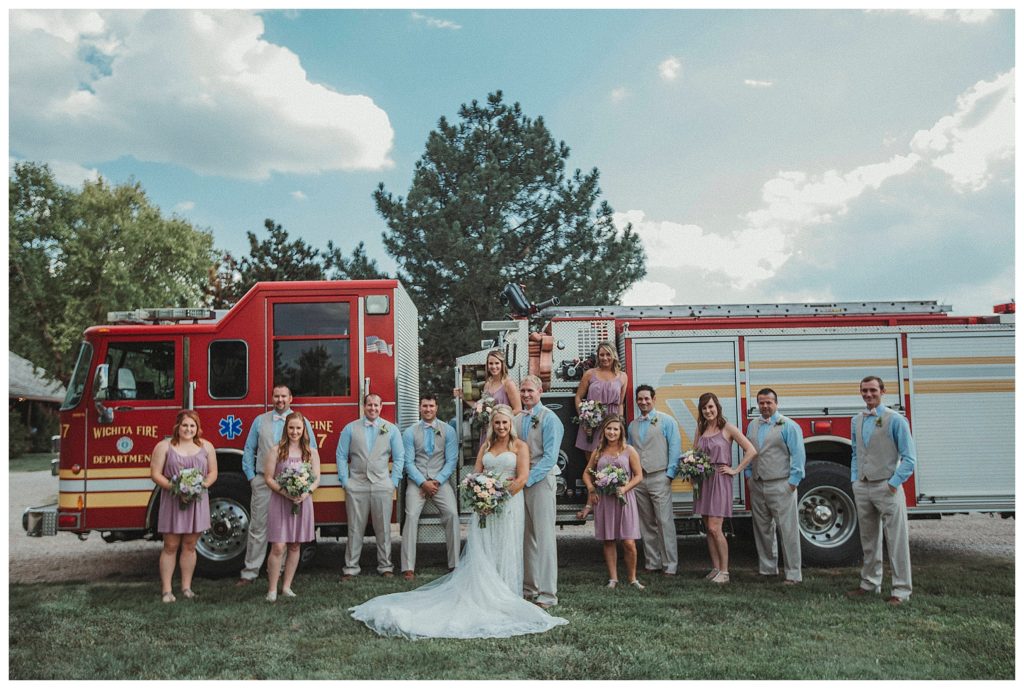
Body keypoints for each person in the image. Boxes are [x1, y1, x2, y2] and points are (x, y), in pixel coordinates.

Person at [349, 405, 568, 638]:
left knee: (507, 547)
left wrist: (498, 497)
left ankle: (506, 593)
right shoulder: (486, 446)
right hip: (485, 507)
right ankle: (484, 592)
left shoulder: (520, 447)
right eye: (497, 423)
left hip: (508, 505)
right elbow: (475, 473)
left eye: (505, 423)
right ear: (492, 424)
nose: (501, 427)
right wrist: (479, 492)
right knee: (486, 548)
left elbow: (523, 477)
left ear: (510, 424)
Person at [238, 384, 319, 586]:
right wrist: (251, 477)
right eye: (276, 396)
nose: (280, 400)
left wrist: (303, 484)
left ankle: (280, 572)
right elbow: (249, 449)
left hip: (295, 487)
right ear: (272, 398)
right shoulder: (260, 421)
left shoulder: (302, 421)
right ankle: (250, 572)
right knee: (258, 528)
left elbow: (311, 451)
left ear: (291, 398)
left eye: (284, 396)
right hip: (264, 483)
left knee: (288, 532)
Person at [846, 376, 916, 605]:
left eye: (873, 390)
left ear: (882, 391)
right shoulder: (856, 420)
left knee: (896, 539)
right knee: (868, 539)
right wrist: (855, 480)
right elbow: (856, 453)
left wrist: (893, 483)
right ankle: (869, 583)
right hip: (863, 486)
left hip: (887, 486)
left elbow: (909, 458)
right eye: (864, 390)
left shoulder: (895, 420)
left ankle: (901, 590)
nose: (868, 394)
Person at [150, 409, 218, 603]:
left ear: (197, 428)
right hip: (173, 500)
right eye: (185, 425)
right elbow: (155, 473)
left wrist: (200, 486)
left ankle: (186, 588)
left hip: (197, 501)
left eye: (192, 425)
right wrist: (177, 488)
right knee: (170, 545)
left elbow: (213, 473)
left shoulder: (207, 447)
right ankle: (167, 590)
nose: (188, 429)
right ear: (177, 427)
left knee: (189, 545)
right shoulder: (164, 447)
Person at [337, 393, 405, 580]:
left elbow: (399, 457)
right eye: (369, 405)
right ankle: (351, 568)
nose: (372, 408)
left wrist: (393, 481)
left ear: (381, 406)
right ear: (364, 406)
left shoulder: (391, 429)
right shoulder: (350, 428)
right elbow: (341, 455)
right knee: (354, 528)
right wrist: (345, 481)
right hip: (356, 484)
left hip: (382, 484)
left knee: (383, 528)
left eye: (376, 405)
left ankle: (385, 566)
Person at [693, 392, 757, 584]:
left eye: (711, 407)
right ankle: (715, 568)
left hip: (720, 480)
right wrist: (691, 468)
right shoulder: (701, 428)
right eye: (704, 408)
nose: (708, 411)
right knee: (708, 528)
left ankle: (725, 571)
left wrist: (735, 469)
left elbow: (751, 450)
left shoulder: (727, 428)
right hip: (704, 480)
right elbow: (695, 453)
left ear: (717, 407)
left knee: (715, 527)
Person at [744, 388, 805, 584]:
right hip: (758, 483)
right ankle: (768, 568)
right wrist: (748, 476)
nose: (765, 406)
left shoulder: (788, 425)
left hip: (781, 483)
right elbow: (749, 452)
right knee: (762, 528)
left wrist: (793, 482)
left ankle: (793, 574)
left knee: (787, 530)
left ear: (776, 403)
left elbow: (798, 455)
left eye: (768, 402)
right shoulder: (752, 425)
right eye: (761, 402)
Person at [400, 393, 460, 580]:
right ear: (420, 408)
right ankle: (408, 567)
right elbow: (408, 462)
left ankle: (454, 563)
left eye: (431, 406)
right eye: (424, 406)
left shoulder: (448, 430)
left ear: (437, 408)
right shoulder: (410, 432)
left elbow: (451, 461)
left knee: (452, 513)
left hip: (440, 482)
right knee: (410, 516)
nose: (428, 409)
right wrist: (422, 482)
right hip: (417, 482)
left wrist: (437, 481)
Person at [582, 415, 644, 590]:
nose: (612, 432)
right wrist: (592, 489)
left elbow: (639, 475)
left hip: (625, 499)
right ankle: (613, 578)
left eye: (616, 429)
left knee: (629, 542)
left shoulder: (629, 450)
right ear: (604, 431)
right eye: (609, 428)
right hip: (605, 500)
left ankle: (632, 578)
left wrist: (625, 488)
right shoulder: (598, 452)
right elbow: (586, 473)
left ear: (621, 431)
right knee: (608, 540)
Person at [518, 375, 564, 608]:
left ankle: (548, 594)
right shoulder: (517, 418)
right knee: (526, 537)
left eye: (530, 391)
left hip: (541, 480)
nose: (526, 395)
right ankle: (529, 588)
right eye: (523, 391)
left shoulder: (550, 419)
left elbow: (550, 458)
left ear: (540, 391)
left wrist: (527, 479)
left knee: (544, 538)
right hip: (521, 483)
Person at [264, 412, 320, 602]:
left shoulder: (311, 452)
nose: (294, 432)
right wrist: (285, 492)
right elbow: (268, 478)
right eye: (291, 428)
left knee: (295, 545)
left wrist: (305, 492)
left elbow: (316, 478)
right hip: (280, 501)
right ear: (285, 429)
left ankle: (286, 586)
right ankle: (272, 589)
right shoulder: (276, 450)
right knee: (278, 546)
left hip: (302, 502)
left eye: (298, 428)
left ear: (303, 429)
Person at [626, 385, 682, 576]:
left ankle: (670, 565)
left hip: (659, 476)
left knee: (664, 521)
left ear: (654, 399)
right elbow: (631, 453)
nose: (643, 402)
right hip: (639, 479)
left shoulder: (667, 421)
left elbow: (675, 448)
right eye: (640, 399)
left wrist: (669, 475)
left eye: (646, 399)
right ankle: (652, 562)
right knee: (646, 523)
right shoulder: (632, 425)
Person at [574, 341, 628, 453]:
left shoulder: (623, 376)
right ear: (597, 356)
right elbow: (578, 397)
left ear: (614, 355)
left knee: (611, 456)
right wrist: (584, 419)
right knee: (591, 458)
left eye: (608, 354)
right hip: (592, 421)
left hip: (612, 421)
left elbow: (620, 403)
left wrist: (620, 423)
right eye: (601, 354)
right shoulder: (590, 374)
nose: (605, 358)